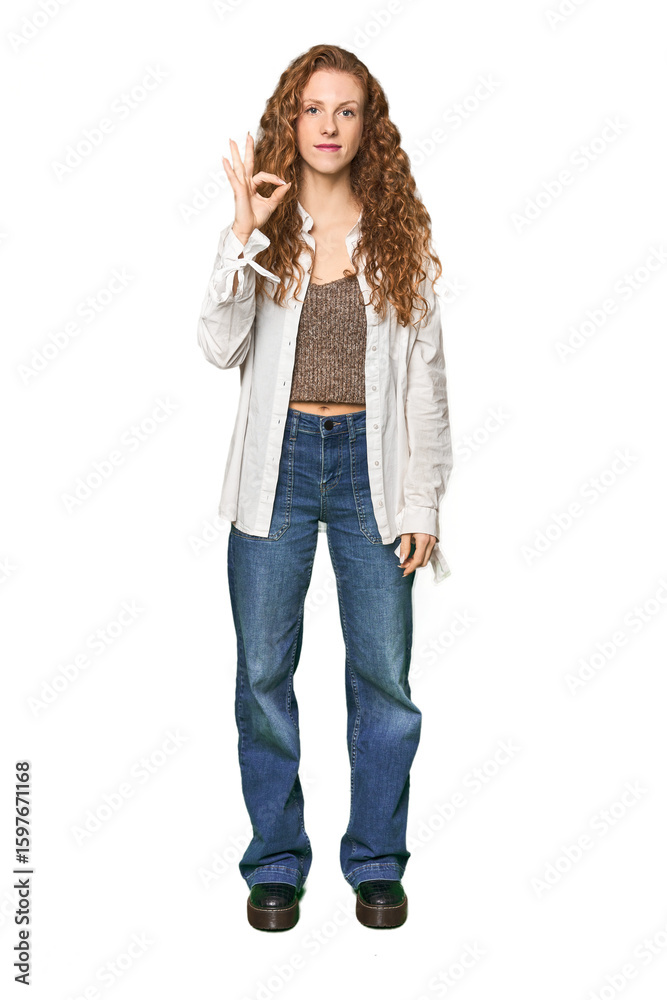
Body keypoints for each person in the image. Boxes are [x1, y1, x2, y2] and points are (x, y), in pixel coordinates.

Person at [197, 44, 453, 931]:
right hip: (277, 467)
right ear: (291, 118)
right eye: (313, 109)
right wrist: (243, 232)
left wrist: (423, 503)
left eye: (346, 110)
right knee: (263, 672)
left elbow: (425, 385)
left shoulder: (397, 236)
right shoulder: (264, 231)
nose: (328, 126)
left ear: (366, 124)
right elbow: (218, 346)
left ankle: (376, 862)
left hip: (370, 474)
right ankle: (275, 862)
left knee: (383, 677)